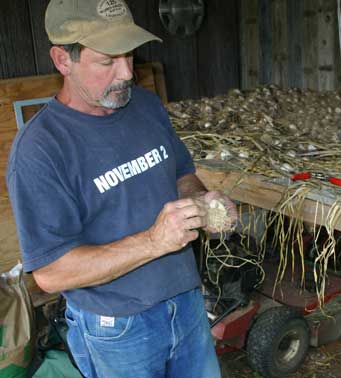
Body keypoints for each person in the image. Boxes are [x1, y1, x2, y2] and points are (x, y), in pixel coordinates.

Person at [6, 0, 237, 377]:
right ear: (63, 60)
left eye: (129, 55)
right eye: (107, 61)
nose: (127, 72)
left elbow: (181, 171)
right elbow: (51, 273)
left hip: (186, 299)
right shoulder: (40, 150)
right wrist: (154, 241)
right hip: (119, 326)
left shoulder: (145, 106)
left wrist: (200, 199)